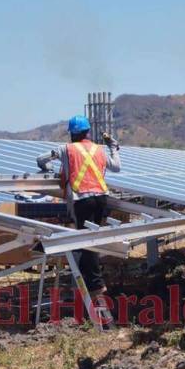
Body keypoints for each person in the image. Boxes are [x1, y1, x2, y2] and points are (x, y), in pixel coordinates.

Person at [36, 115, 120, 296]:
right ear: (88, 131)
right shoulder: (99, 149)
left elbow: (40, 159)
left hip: (83, 199)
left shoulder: (66, 149)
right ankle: (89, 280)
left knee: (86, 241)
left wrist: (48, 168)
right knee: (92, 240)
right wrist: (113, 147)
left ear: (71, 133)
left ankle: (96, 285)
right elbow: (116, 166)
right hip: (101, 198)